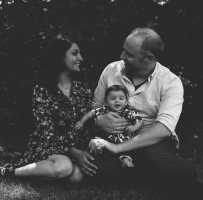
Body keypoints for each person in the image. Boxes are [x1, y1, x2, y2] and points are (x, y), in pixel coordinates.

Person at [86, 27, 203, 199]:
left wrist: (118, 149)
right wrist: (99, 120)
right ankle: (146, 174)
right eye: (123, 50)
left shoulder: (170, 82)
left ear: (149, 59)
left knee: (167, 164)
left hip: (151, 144)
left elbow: (163, 129)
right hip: (115, 137)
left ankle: (139, 169)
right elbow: (94, 107)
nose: (122, 56)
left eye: (129, 54)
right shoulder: (111, 70)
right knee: (96, 171)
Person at [0, 35, 97, 181]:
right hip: (48, 145)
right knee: (65, 168)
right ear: (59, 56)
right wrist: (74, 152)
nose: (81, 58)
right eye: (75, 53)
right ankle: (11, 171)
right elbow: (47, 130)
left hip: (73, 149)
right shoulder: (42, 90)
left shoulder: (83, 89)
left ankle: (41, 170)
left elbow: (87, 124)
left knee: (76, 176)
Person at [75, 84, 143, 168]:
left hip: (124, 138)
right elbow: (91, 113)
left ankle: (125, 160)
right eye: (113, 98)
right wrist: (81, 122)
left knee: (129, 147)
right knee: (97, 142)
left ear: (126, 102)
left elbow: (139, 120)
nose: (117, 101)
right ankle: (97, 153)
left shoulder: (128, 111)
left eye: (121, 98)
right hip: (107, 138)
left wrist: (135, 127)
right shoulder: (104, 110)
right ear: (106, 102)